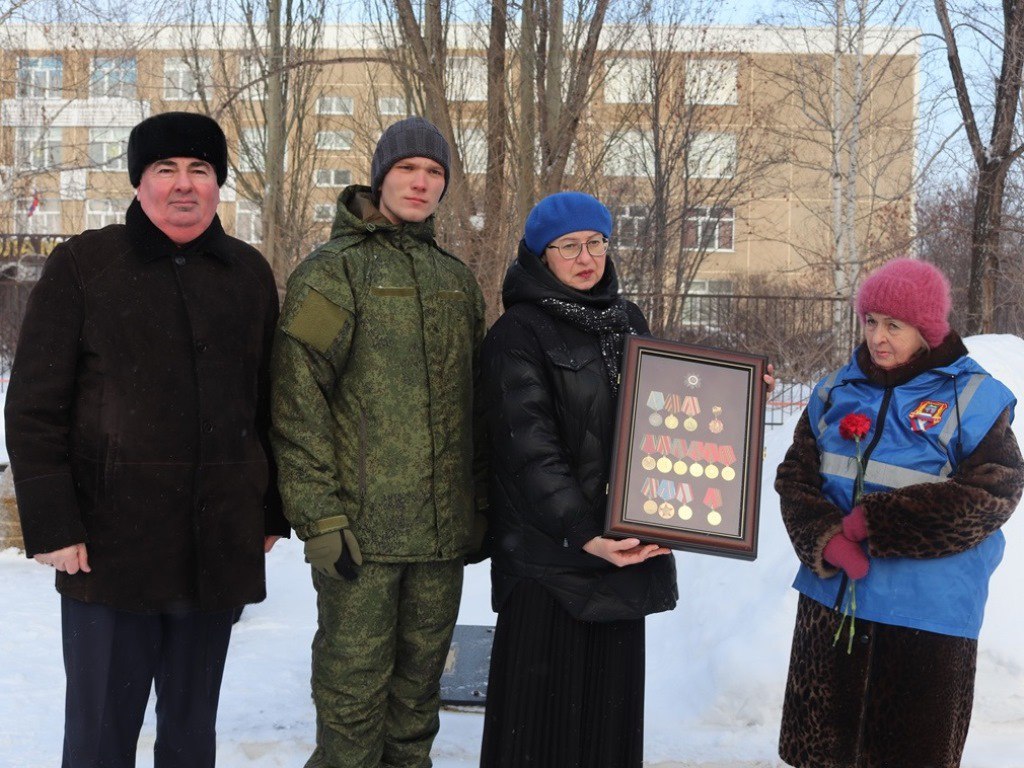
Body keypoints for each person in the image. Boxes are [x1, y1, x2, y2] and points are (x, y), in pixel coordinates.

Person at [5, 111, 288, 768]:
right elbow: (34, 407)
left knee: (190, 736)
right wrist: (54, 524)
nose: (184, 184)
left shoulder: (247, 274)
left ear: (218, 183)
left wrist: (270, 510)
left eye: (200, 169)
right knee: (101, 738)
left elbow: (269, 402)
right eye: (166, 169)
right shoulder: (84, 265)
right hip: (108, 554)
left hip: (214, 548)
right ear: (139, 182)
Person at [271, 116, 487, 768]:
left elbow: (477, 404)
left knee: (417, 699)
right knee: (352, 697)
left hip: (440, 540)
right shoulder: (333, 274)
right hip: (360, 538)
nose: (421, 183)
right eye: (407, 169)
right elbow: (297, 401)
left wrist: (476, 507)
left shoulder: (456, 281)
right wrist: (320, 517)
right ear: (380, 177)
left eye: (434, 172)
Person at [775, 258, 1024, 768]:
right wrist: (824, 537)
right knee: (823, 755)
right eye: (871, 321)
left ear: (926, 330)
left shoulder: (974, 397)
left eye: (894, 325)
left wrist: (882, 522)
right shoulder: (835, 391)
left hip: (926, 616)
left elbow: (996, 490)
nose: (878, 337)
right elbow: (795, 476)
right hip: (834, 606)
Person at [477, 191, 679, 768]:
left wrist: (735, 398)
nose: (586, 257)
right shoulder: (518, 333)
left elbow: (665, 415)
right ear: (541, 255)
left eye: (595, 242)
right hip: (549, 565)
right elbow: (528, 449)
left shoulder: (627, 320)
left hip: (624, 553)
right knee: (541, 734)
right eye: (568, 246)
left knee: (604, 732)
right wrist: (584, 532)